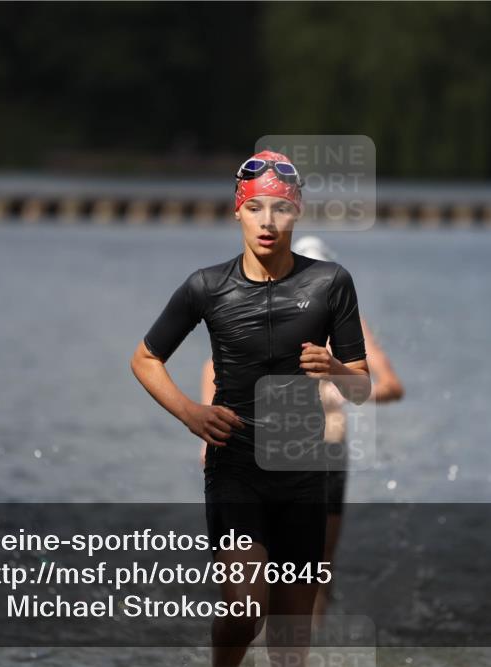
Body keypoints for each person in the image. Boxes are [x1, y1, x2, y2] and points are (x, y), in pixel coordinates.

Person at [130, 150, 372, 667]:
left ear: (296, 212)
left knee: (289, 644)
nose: (268, 221)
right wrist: (190, 413)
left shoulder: (330, 283)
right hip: (235, 465)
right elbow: (145, 359)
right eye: (256, 208)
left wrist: (334, 366)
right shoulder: (206, 286)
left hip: (303, 470)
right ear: (237, 211)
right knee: (244, 610)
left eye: (280, 209)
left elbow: (362, 387)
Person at [199, 235, 404, 622]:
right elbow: (215, 367)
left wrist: (344, 385)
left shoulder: (349, 322)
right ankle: (254, 635)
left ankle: (313, 642)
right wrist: (211, 429)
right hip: (271, 447)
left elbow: (392, 386)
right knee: (261, 560)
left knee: (318, 567)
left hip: (327, 452)